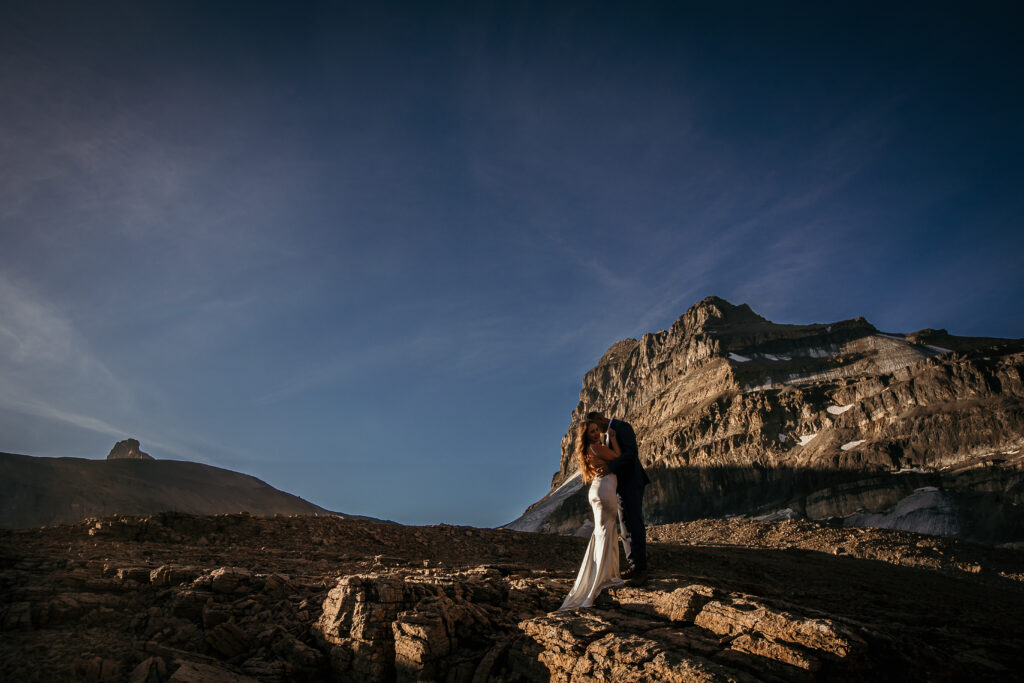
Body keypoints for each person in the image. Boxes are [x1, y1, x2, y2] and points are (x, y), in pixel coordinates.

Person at [558, 418, 626, 610]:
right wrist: (612, 438)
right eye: (592, 432)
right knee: (607, 531)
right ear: (587, 436)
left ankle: (605, 575)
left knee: (602, 532)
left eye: (597, 430)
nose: (596, 433)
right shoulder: (597, 447)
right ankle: (603, 579)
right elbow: (618, 458)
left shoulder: (588, 450)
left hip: (597, 490)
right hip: (605, 490)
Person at [586, 411, 649, 585]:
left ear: (600, 420)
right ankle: (633, 564)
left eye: (595, 428)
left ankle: (640, 568)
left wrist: (610, 467)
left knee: (634, 522)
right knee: (625, 524)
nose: (596, 432)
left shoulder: (622, 427)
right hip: (618, 486)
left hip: (631, 481)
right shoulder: (607, 436)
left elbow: (631, 454)